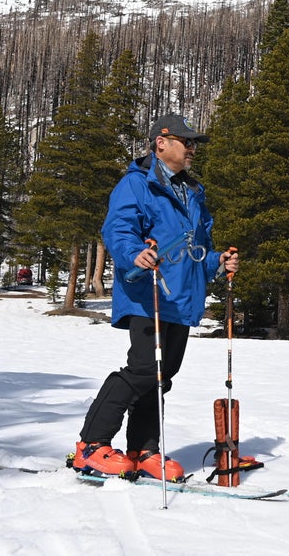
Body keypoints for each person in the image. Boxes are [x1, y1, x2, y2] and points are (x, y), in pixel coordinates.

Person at [72, 113, 239, 482]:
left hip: (182, 297)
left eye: (195, 143)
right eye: (187, 142)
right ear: (161, 143)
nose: (193, 148)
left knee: (162, 376)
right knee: (145, 369)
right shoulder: (137, 184)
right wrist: (133, 252)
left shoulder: (192, 191)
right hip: (148, 291)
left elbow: (199, 248)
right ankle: (92, 445)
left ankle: (143, 449)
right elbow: (118, 228)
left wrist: (219, 262)